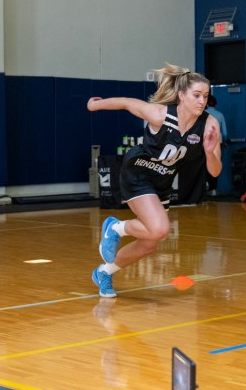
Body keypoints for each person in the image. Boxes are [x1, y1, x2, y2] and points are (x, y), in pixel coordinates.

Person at [87, 63, 222, 297]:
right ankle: (115, 227)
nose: (202, 101)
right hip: (138, 171)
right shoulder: (161, 114)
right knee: (159, 228)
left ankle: (104, 272)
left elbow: (215, 172)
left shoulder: (209, 125)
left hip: (162, 181)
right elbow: (128, 103)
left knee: (149, 243)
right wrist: (94, 105)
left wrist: (210, 153)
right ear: (181, 95)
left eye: (206, 96)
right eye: (196, 95)